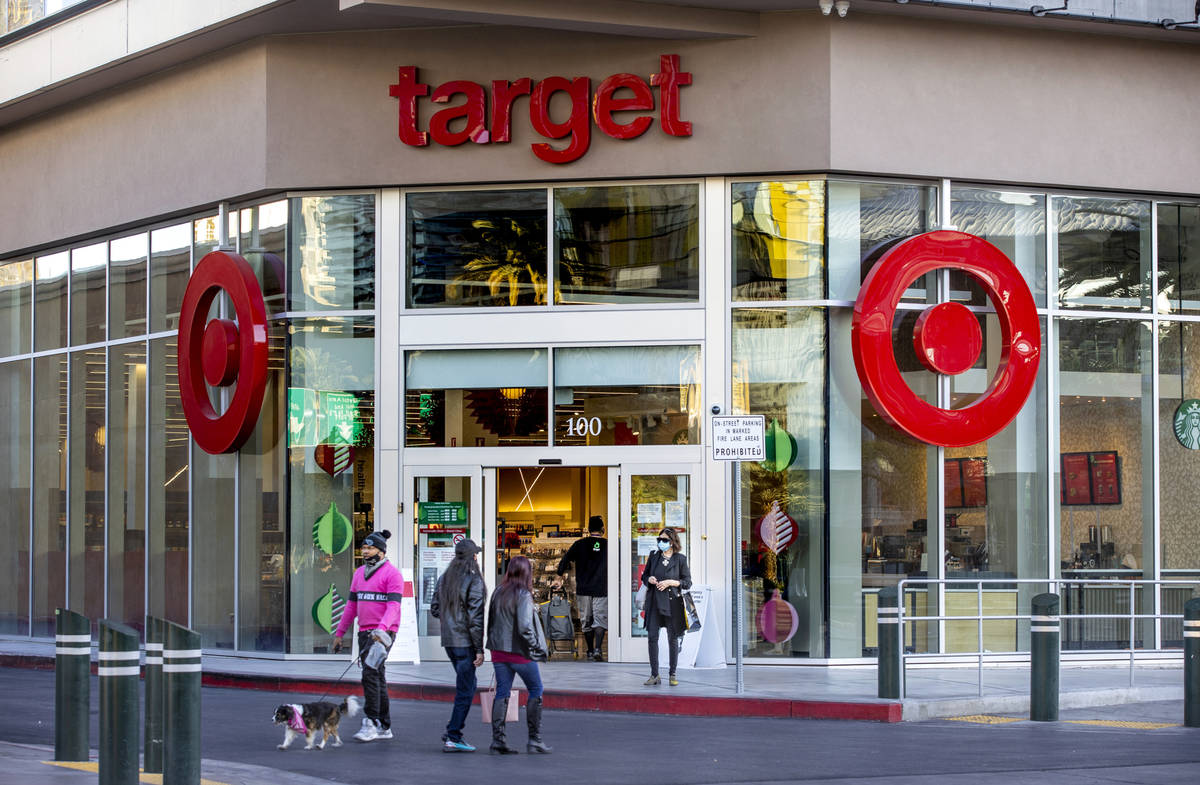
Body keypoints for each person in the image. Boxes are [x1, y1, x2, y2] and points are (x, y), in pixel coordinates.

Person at [332, 530, 404, 742]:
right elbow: (351, 606)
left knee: (370, 675)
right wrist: (339, 633)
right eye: (363, 548)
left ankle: (371, 722)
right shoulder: (359, 574)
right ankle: (384, 726)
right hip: (364, 632)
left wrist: (381, 629)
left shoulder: (393, 575)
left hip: (382, 634)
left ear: (381, 551)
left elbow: (393, 607)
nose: (365, 551)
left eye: (370, 548)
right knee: (377, 676)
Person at [485, 555, 551, 755]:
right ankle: (534, 739)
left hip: (498, 651)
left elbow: (491, 621)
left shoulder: (498, 591)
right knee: (536, 689)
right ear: (526, 573)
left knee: (502, 692)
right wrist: (537, 648)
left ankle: (498, 741)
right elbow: (524, 627)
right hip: (519, 652)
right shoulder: (523, 594)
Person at [430, 538, 487, 753]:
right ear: (473, 557)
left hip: (449, 640)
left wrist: (450, 617)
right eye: (476, 555)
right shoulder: (474, 580)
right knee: (465, 690)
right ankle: (453, 735)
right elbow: (475, 618)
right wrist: (479, 649)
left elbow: (435, 608)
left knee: (468, 686)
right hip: (465, 642)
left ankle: (452, 732)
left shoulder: (445, 578)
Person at [640, 526, 691, 687]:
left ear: (672, 541)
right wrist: (650, 579)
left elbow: (687, 582)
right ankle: (654, 674)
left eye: (664, 540)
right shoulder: (654, 556)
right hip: (654, 602)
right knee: (652, 638)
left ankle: (672, 674)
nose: (661, 542)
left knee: (672, 639)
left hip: (672, 603)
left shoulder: (680, 559)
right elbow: (644, 576)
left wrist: (671, 582)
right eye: (659, 540)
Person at [552, 515, 608, 661]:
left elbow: (565, 559)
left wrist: (559, 577)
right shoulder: (608, 544)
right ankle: (598, 649)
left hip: (583, 588)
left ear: (589, 530)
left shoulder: (579, 544)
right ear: (603, 529)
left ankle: (589, 650)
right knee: (600, 619)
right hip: (602, 588)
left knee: (586, 620)